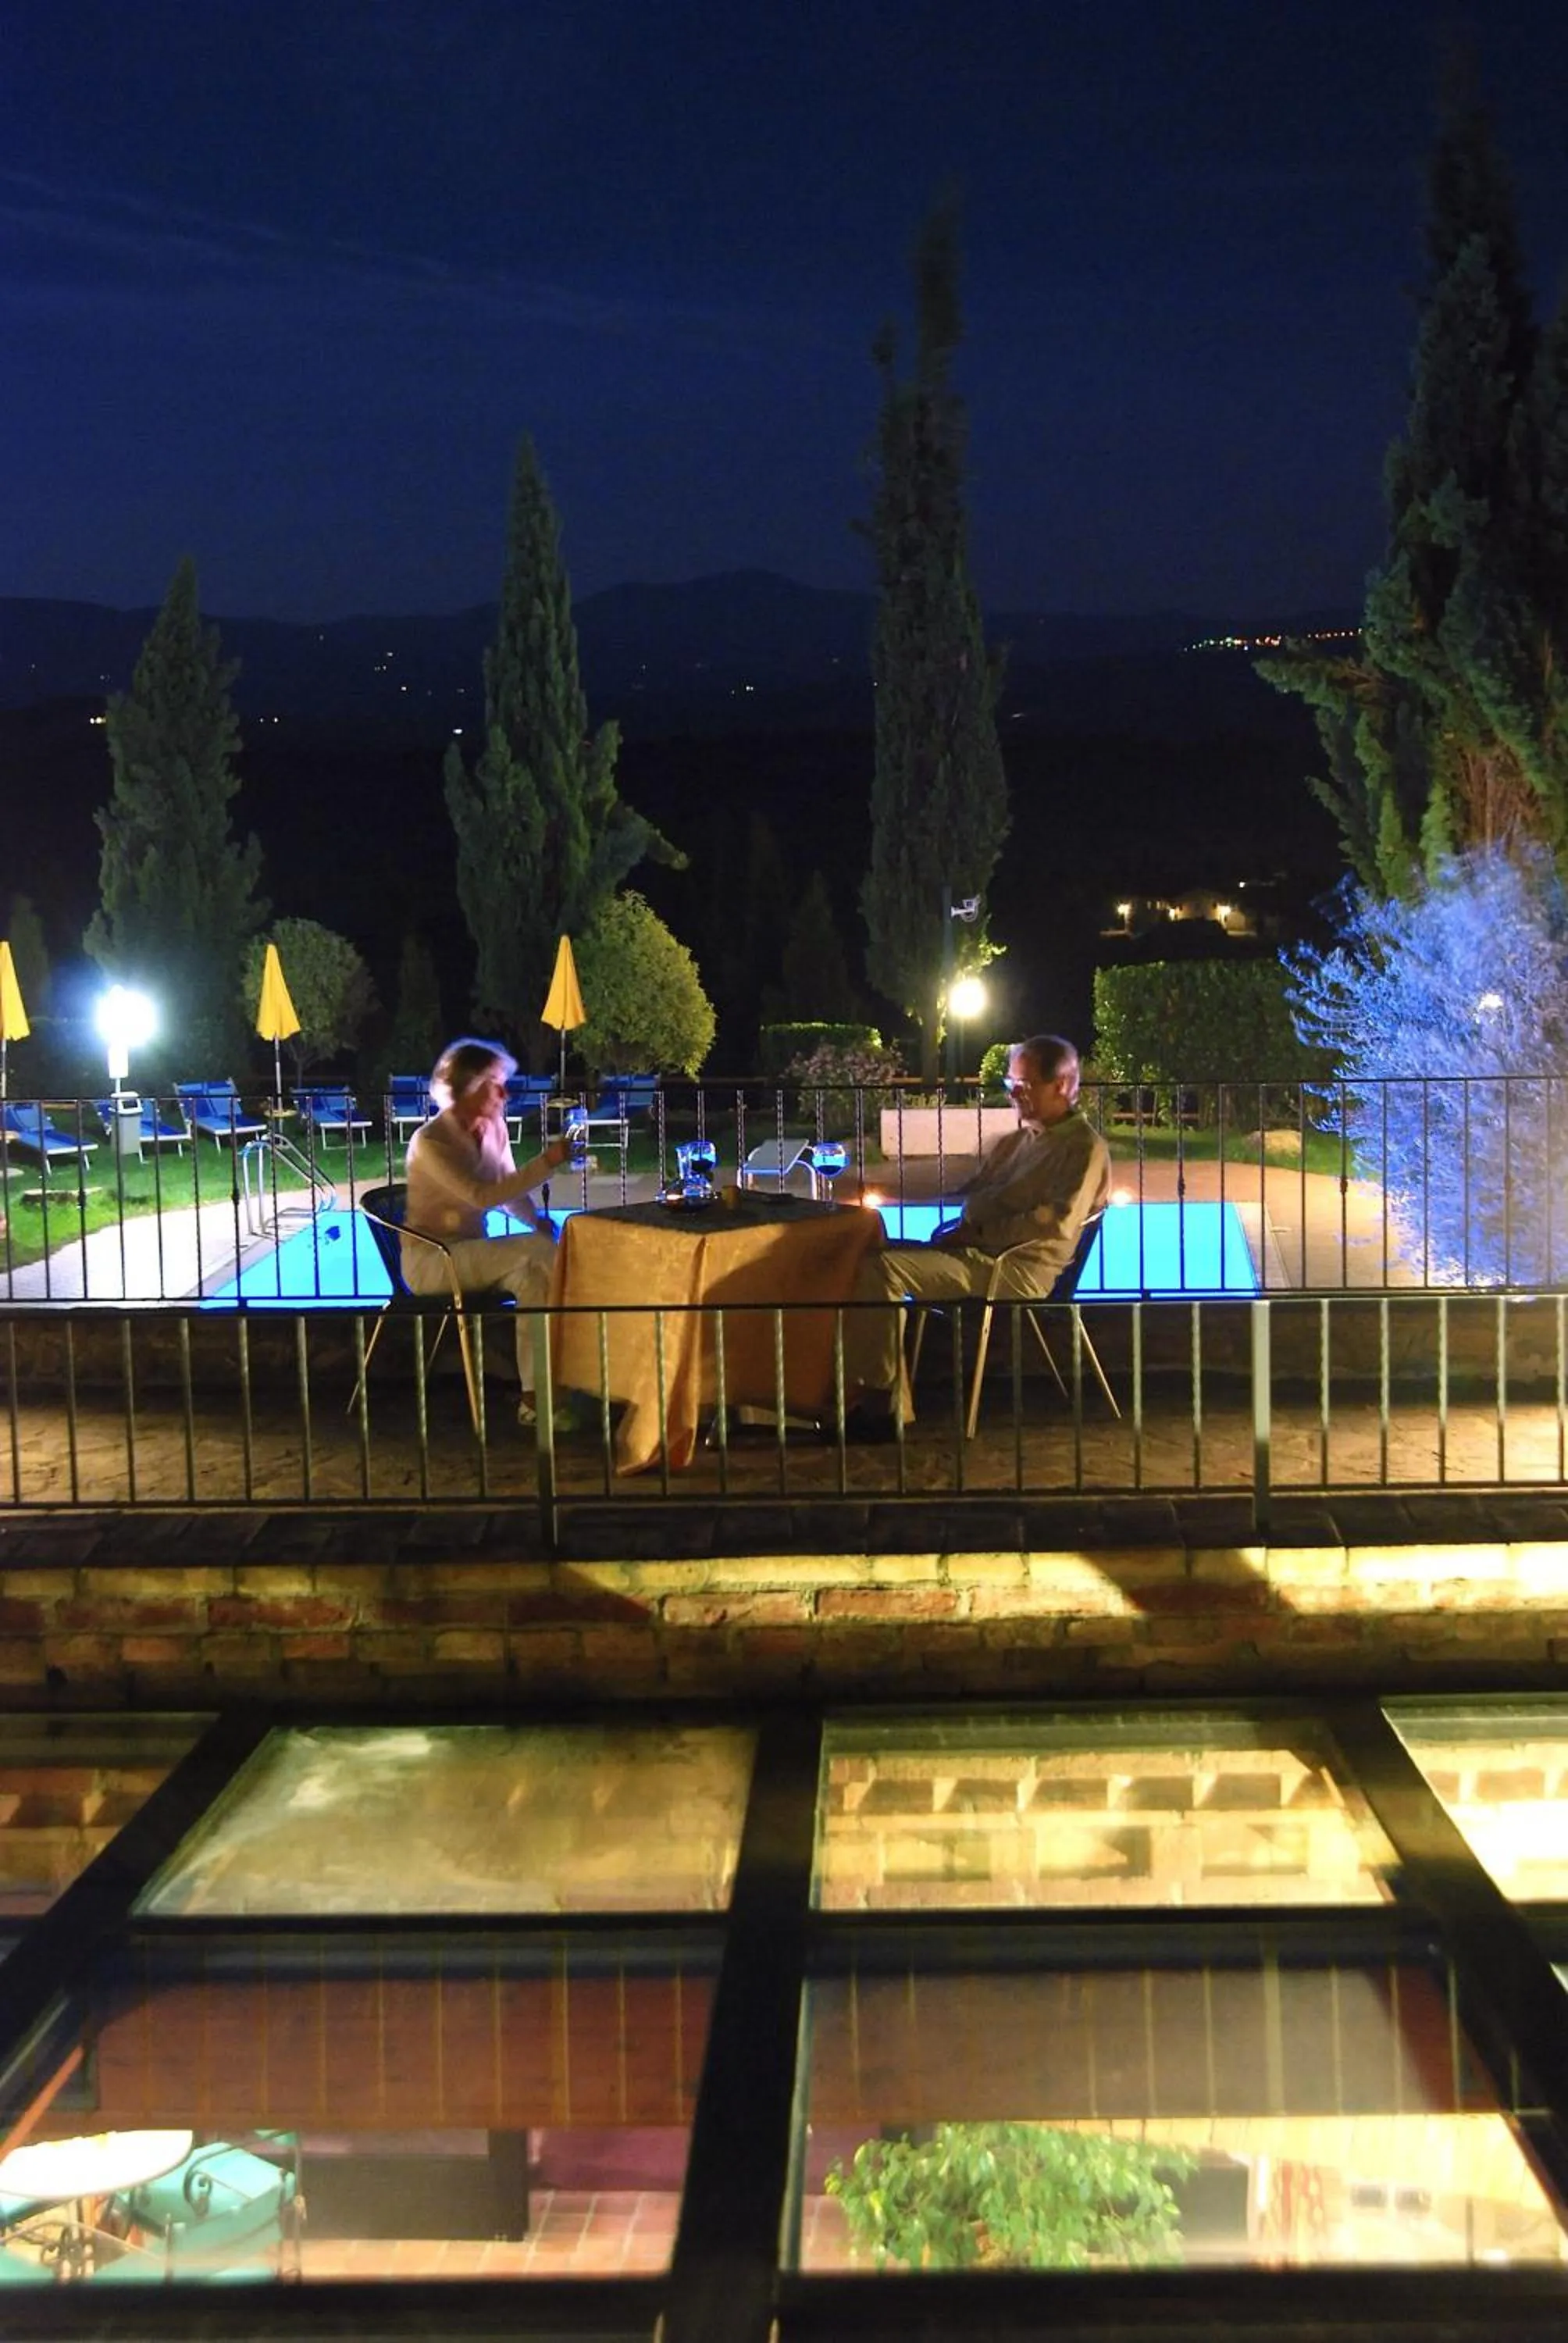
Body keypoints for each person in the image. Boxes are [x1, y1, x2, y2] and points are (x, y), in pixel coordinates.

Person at [843, 1032, 1110, 1428]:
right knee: (864, 1250)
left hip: (1012, 1268)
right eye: (1011, 1082)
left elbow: (1055, 1222)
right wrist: (894, 1191)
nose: (1014, 1093)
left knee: (882, 1269)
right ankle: (865, 1395)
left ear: (1062, 1085)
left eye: (1025, 1084)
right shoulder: (1021, 1140)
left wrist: (975, 1235)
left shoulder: (1083, 1149)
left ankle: (882, 1405)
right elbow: (971, 1191)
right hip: (976, 1252)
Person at [402, 1038, 576, 1425]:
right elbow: (481, 1196)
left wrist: (537, 1223)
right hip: (432, 1261)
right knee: (539, 1254)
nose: (505, 1094)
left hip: (471, 1254)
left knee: (534, 1278)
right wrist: (548, 1161)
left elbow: (507, 1187)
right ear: (468, 1088)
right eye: (495, 1084)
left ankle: (536, 1398)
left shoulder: (493, 1128)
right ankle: (592, 1365)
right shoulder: (430, 1141)